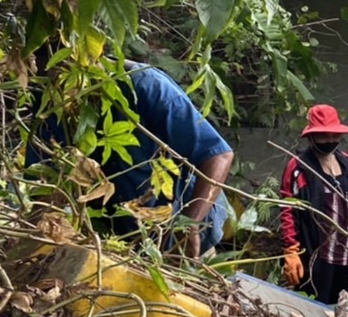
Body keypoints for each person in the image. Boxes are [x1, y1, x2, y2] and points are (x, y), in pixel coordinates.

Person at [28, 59, 233, 257]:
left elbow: (218, 155)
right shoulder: (47, 107)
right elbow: (46, 189)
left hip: (187, 231)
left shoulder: (143, 84)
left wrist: (190, 225)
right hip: (122, 243)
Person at [279, 105, 348, 305]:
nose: (330, 141)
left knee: (342, 307)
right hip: (315, 256)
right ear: (311, 137)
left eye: (334, 136)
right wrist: (291, 251)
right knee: (313, 308)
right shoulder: (298, 168)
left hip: (345, 255)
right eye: (323, 136)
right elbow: (287, 209)